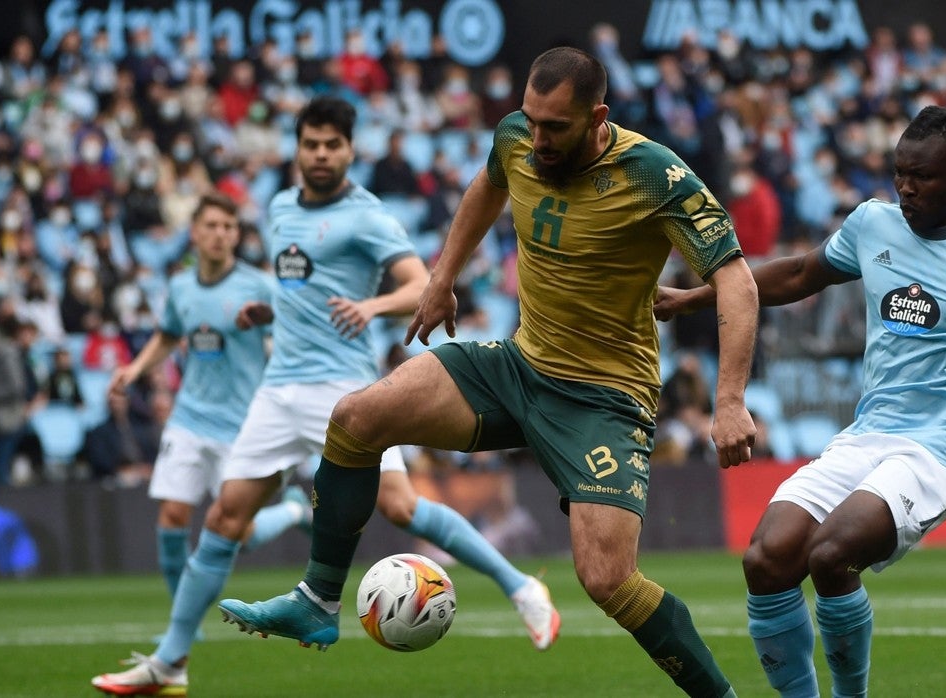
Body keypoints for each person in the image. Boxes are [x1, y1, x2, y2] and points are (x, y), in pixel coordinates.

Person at [218, 48, 759, 697]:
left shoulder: (655, 175)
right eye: (530, 120)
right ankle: (318, 600)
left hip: (604, 400)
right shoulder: (516, 138)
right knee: (357, 418)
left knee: (608, 580)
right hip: (518, 366)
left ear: (597, 118)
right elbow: (487, 185)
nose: (537, 138)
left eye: (554, 127)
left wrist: (730, 399)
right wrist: (441, 278)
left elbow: (737, 280)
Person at [92, 96, 557, 696]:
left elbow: (419, 284)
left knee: (401, 508)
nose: (320, 154)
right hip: (276, 389)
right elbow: (300, 287)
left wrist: (371, 306)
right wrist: (271, 310)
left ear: (349, 151)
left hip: (342, 390)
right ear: (297, 148)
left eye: (331, 145)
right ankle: (170, 662)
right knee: (224, 518)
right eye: (310, 144)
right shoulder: (280, 208)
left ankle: (521, 586)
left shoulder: (367, 217)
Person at [655, 105, 946, 697]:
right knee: (765, 559)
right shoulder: (872, 223)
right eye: (899, 174)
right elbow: (799, 273)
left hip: (938, 450)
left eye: (922, 177)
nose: (905, 188)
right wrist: (693, 298)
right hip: (867, 436)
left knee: (831, 554)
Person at [99, 193, 309, 607]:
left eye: (228, 227)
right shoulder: (180, 287)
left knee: (242, 535)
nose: (220, 234)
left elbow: (295, 332)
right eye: (211, 225)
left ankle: (294, 512)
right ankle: (184, 618)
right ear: (194, 233)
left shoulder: (259, 286)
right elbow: (168, 335)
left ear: (237, 236)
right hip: (190, 417)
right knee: (172, 517)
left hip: (241, 425)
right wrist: (134, 370)